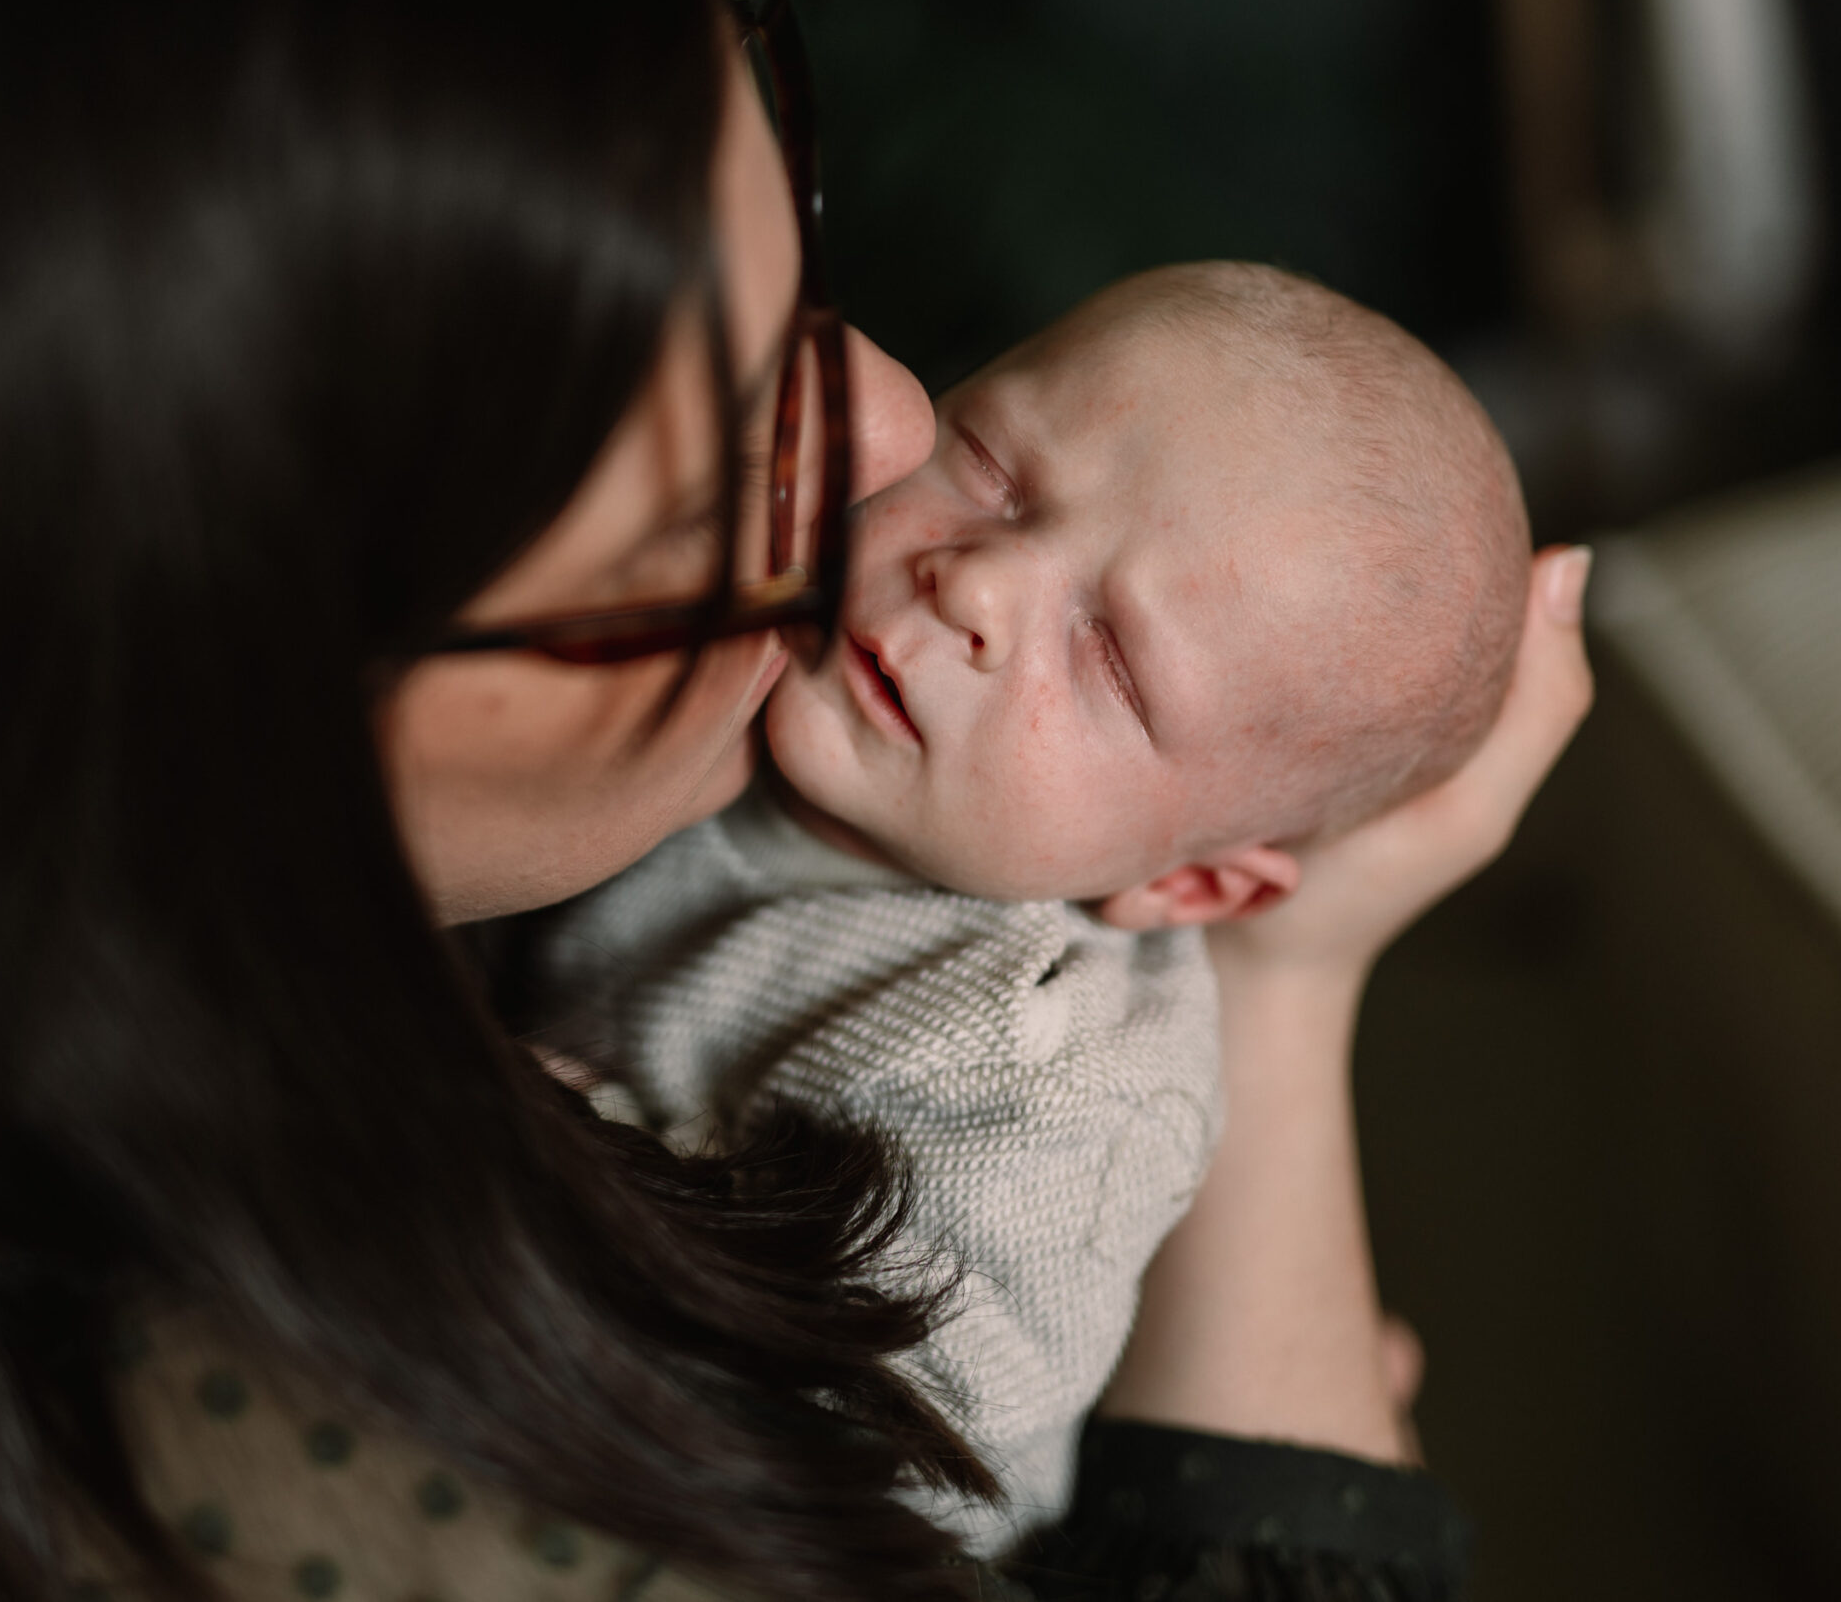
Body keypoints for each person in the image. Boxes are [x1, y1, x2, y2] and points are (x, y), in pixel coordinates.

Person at [0, 0, 1594, 1602]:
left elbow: (961, 1394)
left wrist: (1272, 992)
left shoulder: (1017, 1062)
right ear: (210, 755)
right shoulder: (339, 1477)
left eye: (804, 238)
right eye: (707, 501)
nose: (884, 436)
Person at [522, 258, 1530, 1552]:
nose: (979, 585)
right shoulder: (761, 624)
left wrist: (564, 1153)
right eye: (992, 469)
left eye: (1108, 655)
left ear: (1188, 884)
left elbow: (888, 1467)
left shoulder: (1041, 1091)